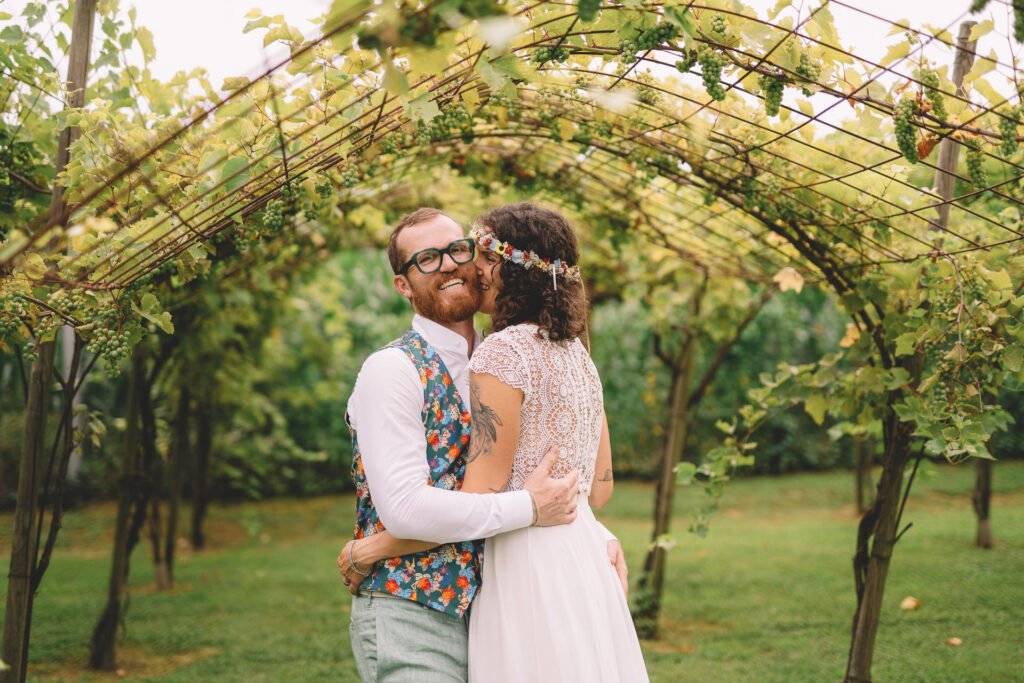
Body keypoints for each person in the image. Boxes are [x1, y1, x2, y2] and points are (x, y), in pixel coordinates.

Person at [340, 204, 645, 682]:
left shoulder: (509, 356)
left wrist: (594, 533)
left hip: (506, 595)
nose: (448, 264)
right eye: (426, 259)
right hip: (414, 610)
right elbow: (405, 508)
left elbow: (566, 481)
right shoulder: (392, 370)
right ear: (403, 284)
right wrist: (538, 510)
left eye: (458, 250)